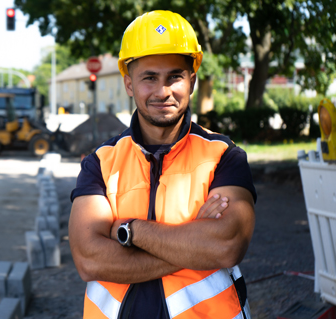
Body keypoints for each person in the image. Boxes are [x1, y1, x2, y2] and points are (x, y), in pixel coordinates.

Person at [68, 10, 257, 319]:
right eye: (149, 78)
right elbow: (89, 259)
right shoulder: (100, 161)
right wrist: (194, 241)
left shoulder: (224, 155)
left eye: (175, 76)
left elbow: (227, 245)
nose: (162, 91)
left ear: (192, 80)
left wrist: (129, 231)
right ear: (129, 84)